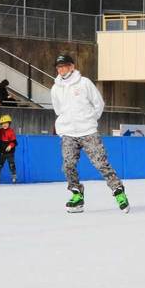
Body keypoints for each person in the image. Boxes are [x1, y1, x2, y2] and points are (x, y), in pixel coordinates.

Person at [51, 54, 129, 213]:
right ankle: (77, 195)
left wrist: (90, 119)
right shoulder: (55, 88)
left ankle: (118, 192)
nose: (61, 69)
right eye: (58, 67)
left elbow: (98, 103)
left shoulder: (84, 83)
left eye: (64, 66)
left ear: (72, 66)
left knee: (101, 163)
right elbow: (58, 110)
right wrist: (64, 126)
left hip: (88, 131)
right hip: (68, 133)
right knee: (68, 165)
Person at [0, 114, 17, 183]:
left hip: (10, 153)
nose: (4, 125)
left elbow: (15, 142)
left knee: (11, 164)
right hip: (1, 152)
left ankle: (14, 176)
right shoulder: (0, 131)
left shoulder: (11, 131)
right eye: (3, 123)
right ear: (1, 124)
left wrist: (10, 146)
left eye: (6, 123)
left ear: (9, 123)